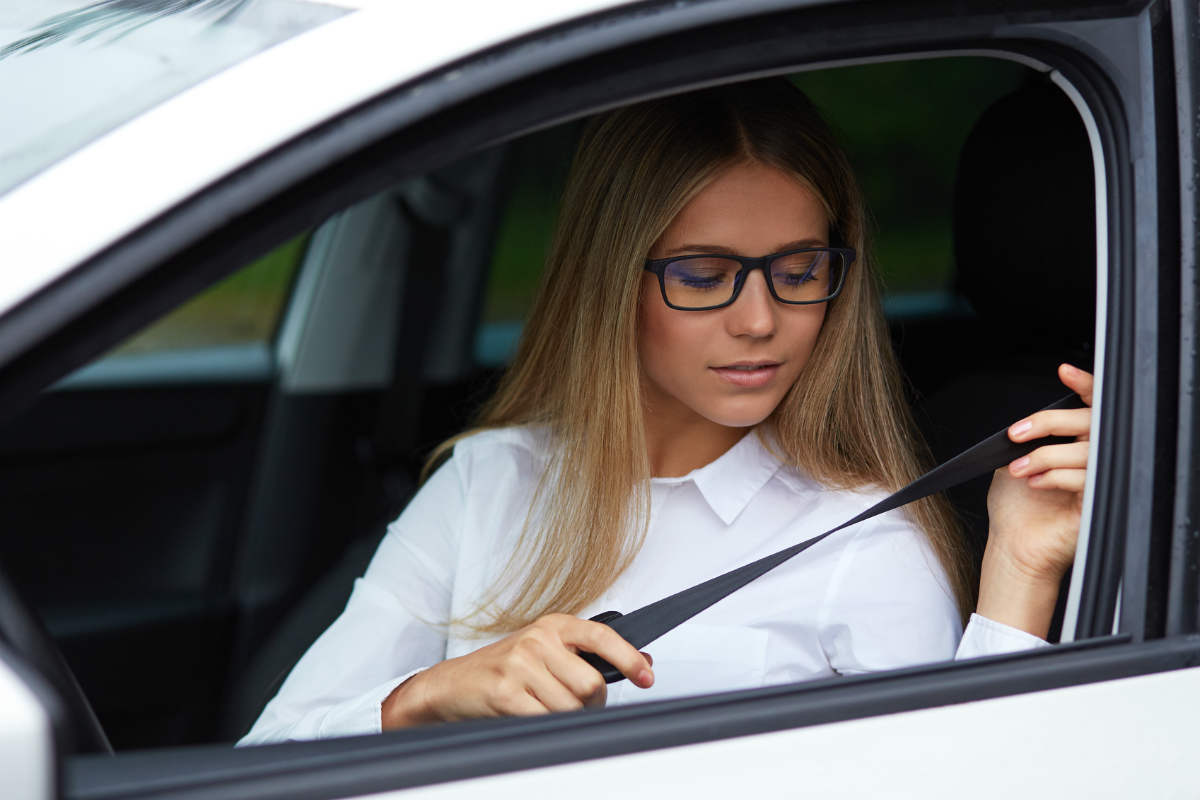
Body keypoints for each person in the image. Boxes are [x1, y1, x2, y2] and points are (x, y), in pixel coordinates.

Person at [239, 79, 1093, 743]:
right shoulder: (488, 481)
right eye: (701, 274)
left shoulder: (865, 539)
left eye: (798, 271)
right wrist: (429, 698)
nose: (760, 320)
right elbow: (270, 756)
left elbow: (967, 776)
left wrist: (1019, 571)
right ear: (613, 280)